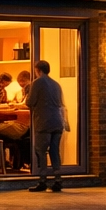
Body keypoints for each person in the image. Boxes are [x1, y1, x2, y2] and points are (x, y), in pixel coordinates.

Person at [25, 59, 67, 191]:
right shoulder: (56, 84)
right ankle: (57, 179)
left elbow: (30, 102)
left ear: (38, 70)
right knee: (55, 151)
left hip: (44, 121)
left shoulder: (37, 82)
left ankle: (42, 180)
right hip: (57, 121)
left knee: (41, 151)